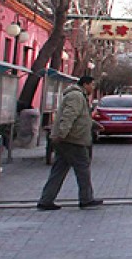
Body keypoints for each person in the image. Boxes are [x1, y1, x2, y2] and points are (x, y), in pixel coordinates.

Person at [37, 74, 103, 210]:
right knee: (83, 169)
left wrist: (95, 125)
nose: (93, 88)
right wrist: (62, 134)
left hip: (68, 140)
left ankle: (46, 200)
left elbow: (81, 117)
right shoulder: (76, 96)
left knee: (59, 170)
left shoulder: (79, 96)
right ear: (85, 84)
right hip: (73, 140)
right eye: (92, 85)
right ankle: (86, 199)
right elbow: (69, 116)